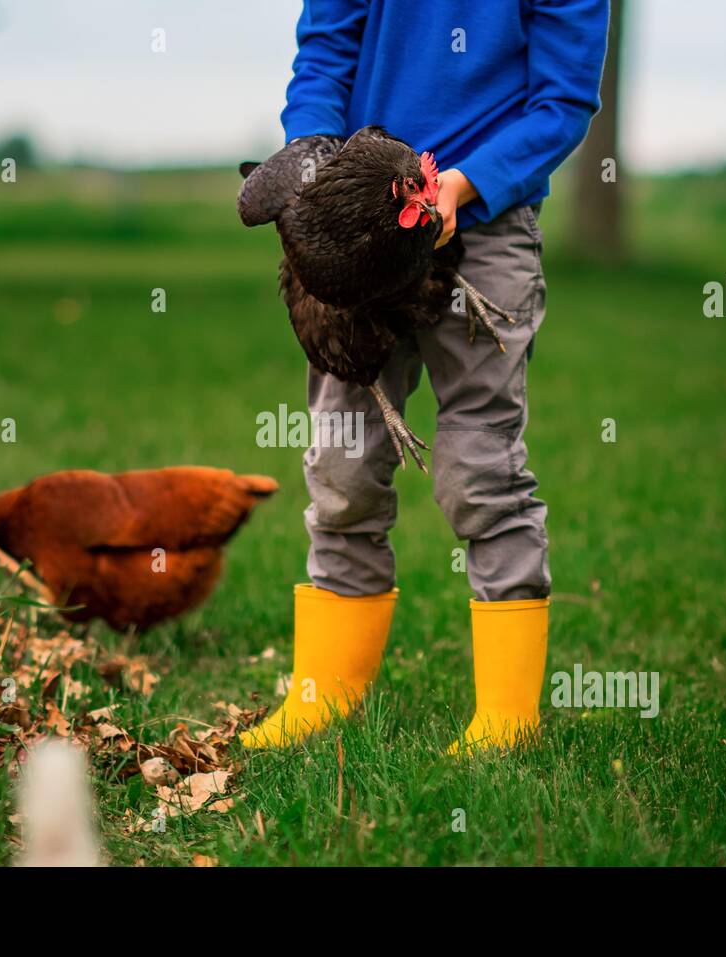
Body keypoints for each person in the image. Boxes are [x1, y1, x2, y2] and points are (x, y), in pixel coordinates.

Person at [240, 0, 610, 753]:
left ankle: (507, 717)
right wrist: (315, 163)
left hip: (489, 225)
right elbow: (324, 53)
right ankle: (324, 697)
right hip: (362, 228)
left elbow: (563, 100)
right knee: (343, 468)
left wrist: (464, 186)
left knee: (481, 470)